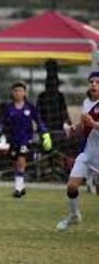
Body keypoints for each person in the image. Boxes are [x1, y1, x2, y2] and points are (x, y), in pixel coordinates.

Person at [0, 81, 51, 198]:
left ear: (25, 93)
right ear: (12, 93)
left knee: (21, 161)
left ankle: (17, 190)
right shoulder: (9, 108)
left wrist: (45, 135)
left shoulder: (30, 107)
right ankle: (21, 187)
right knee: (15, 163)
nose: (18, 93)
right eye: (16, 91)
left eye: (20, 91)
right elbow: (1, 124)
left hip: (26, 140)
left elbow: (39, 121)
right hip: (13, 140)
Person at [56, 71, 99, 231]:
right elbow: (85, 124)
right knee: (71, 187)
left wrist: (93, 123)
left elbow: (91, 123)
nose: (93, 84)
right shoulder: (87, 102)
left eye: (97, 82)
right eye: (91, 81)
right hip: (86, 153)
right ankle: (74, 215)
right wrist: (74, 128)